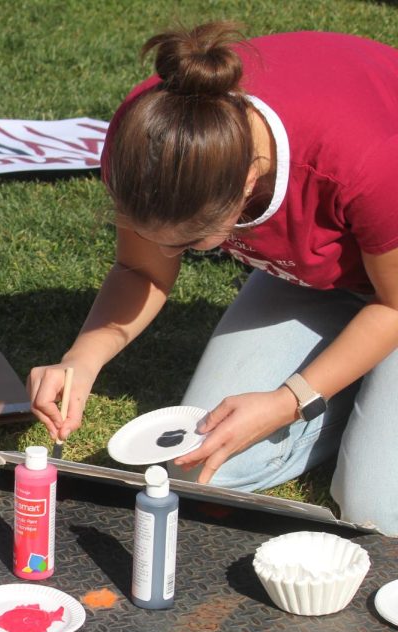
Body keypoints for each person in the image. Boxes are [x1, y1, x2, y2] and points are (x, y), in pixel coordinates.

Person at [27, 22, 398, 534]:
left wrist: (287, 401)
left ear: (249, 184)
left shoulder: (363, 161)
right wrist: (82, 359)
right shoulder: (151, 135)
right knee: (199, 466)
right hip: (326, 274)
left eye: (188, 245)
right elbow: (140, 268)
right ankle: (356, 392)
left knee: (378, 509)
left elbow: (393, 305)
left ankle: (357, 400)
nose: (167, 255)